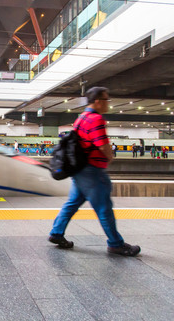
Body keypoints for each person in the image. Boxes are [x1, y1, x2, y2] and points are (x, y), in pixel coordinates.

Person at [48, 86, 140, 257]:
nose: (108, 104)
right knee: (104, 208)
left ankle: (56, 233)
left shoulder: (81, 118)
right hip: (92, 171)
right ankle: (116, 244)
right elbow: (102, 144)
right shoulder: (96, 119)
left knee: (72, 204)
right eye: (106, 100)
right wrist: (109, 157)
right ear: (97, 101)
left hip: (80, 170)